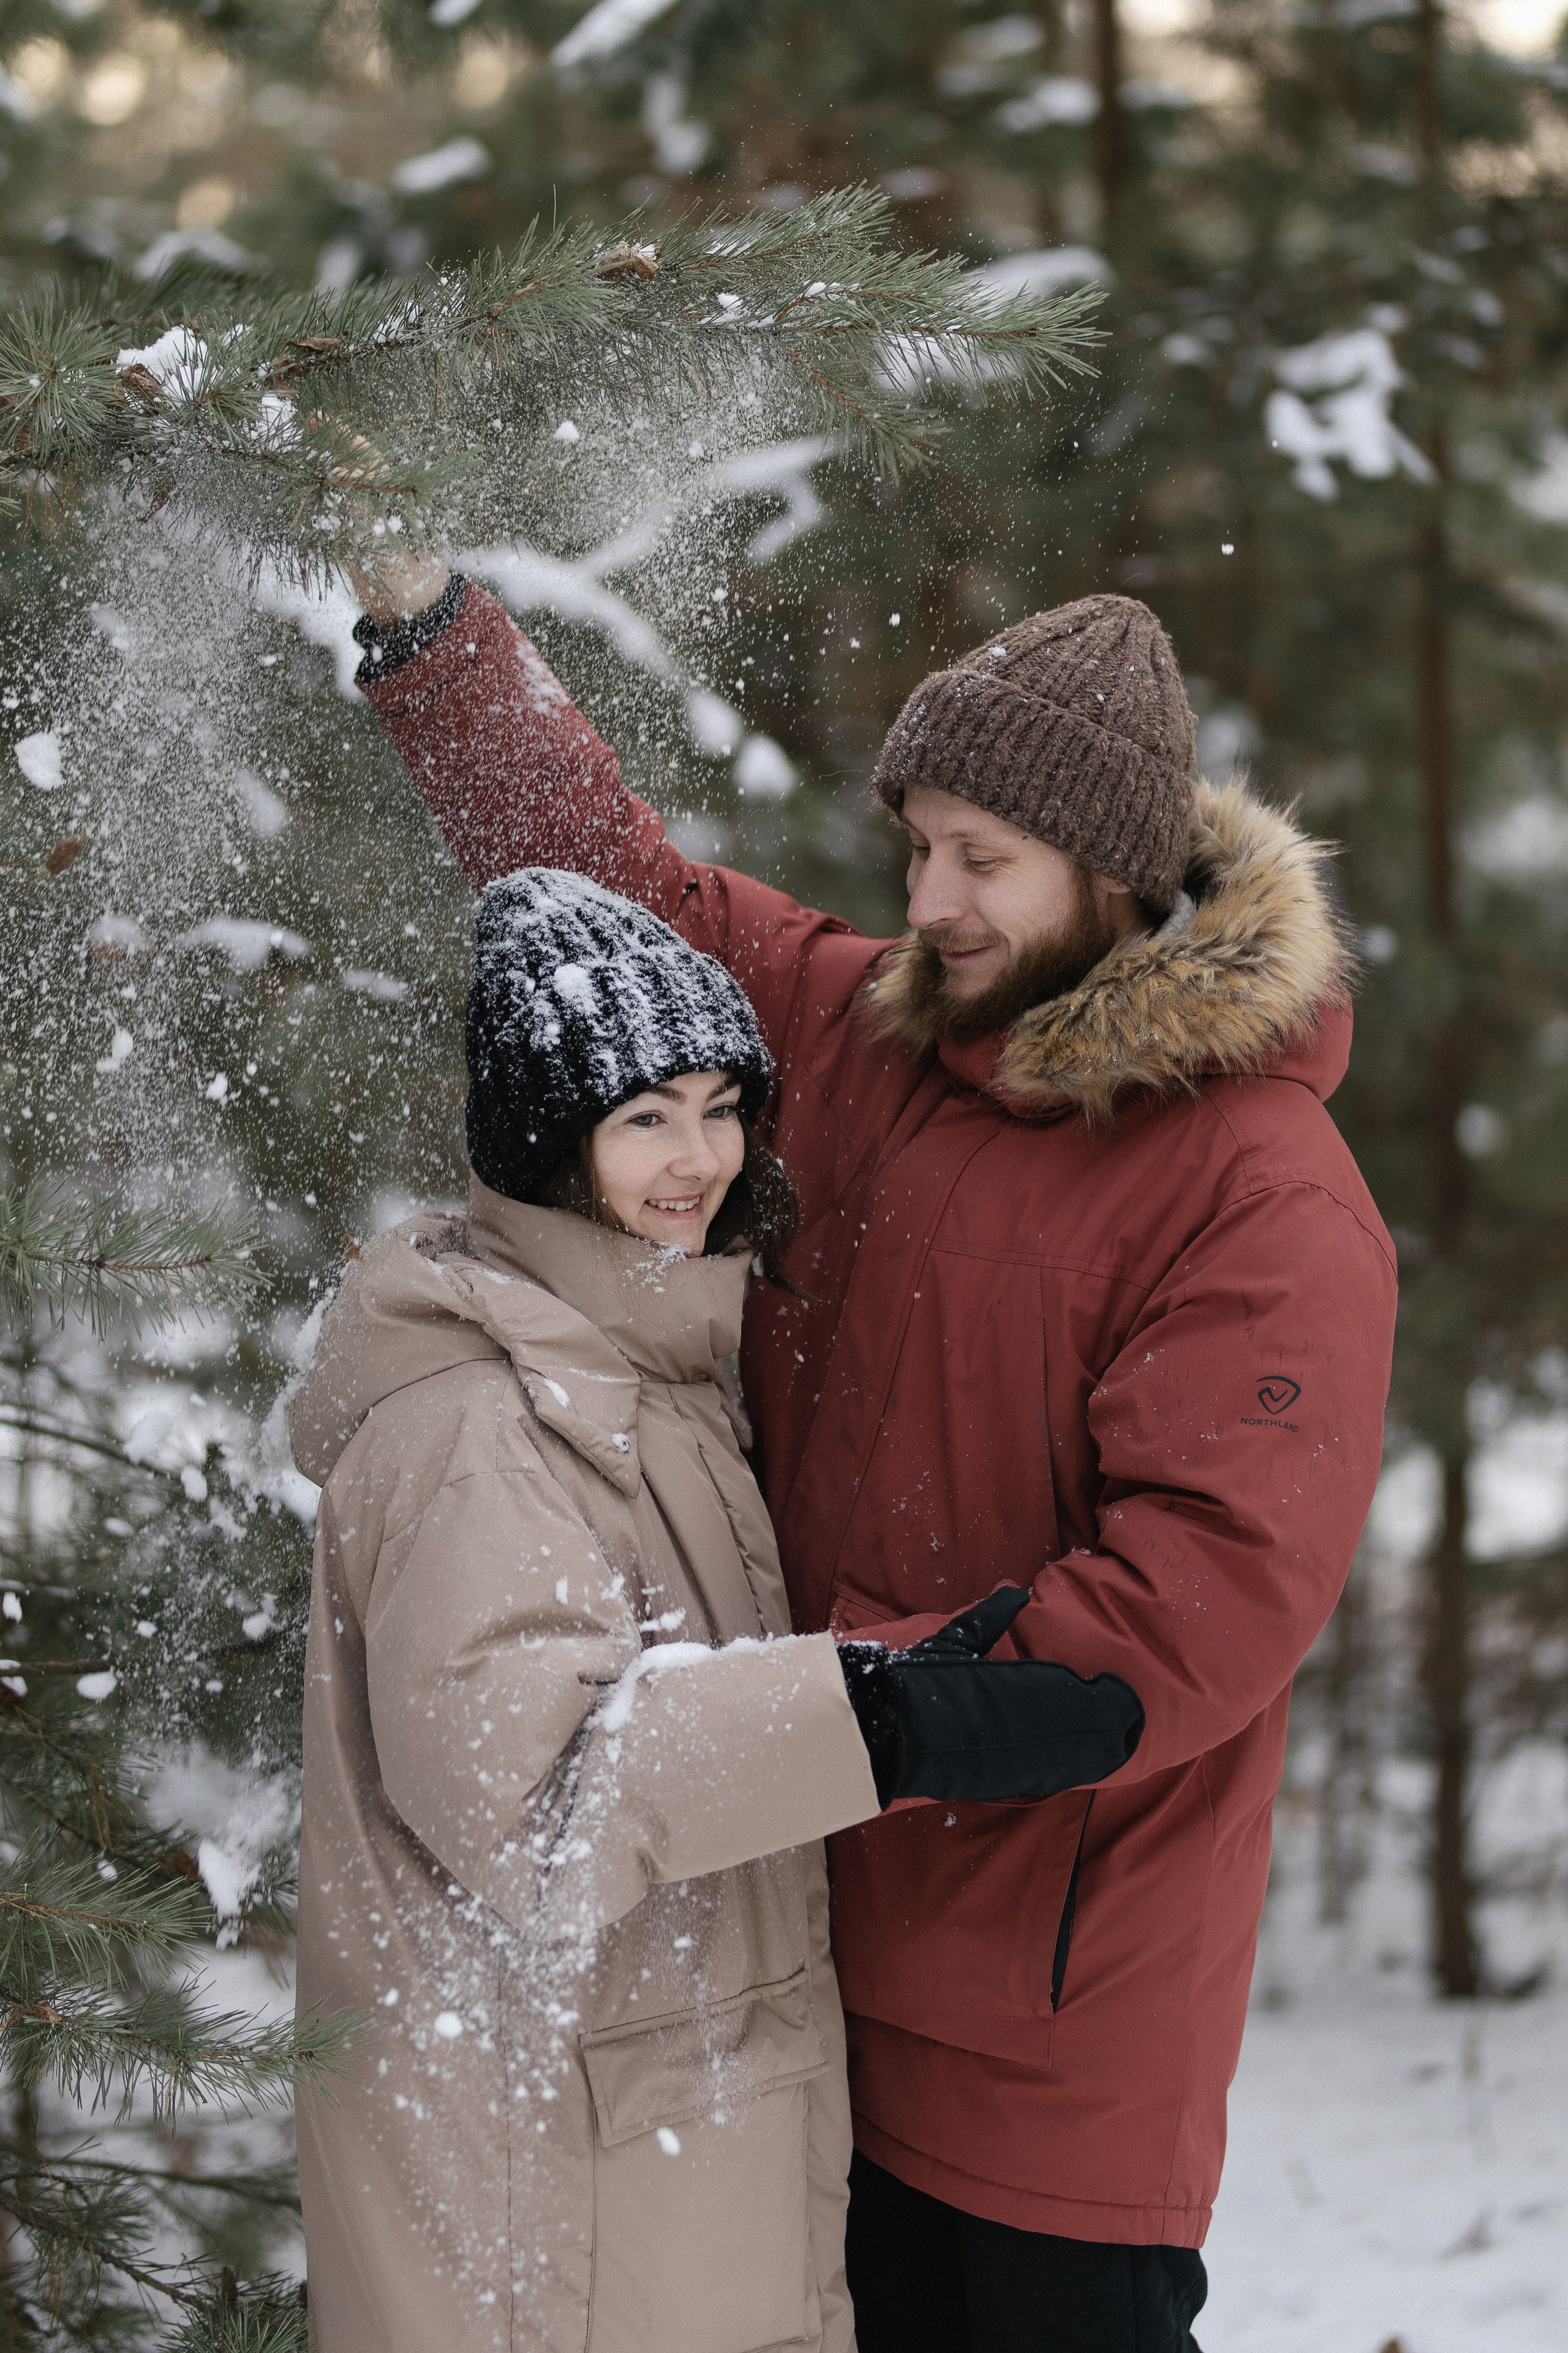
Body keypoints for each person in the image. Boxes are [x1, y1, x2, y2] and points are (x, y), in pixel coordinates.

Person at [339, 559, 1398, 2353]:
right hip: (784, 1956)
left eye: (982, 858)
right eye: (916, 844)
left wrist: (885, 1709)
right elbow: (632, 892)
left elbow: (1196, 1609)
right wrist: (435, 634)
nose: (929, 898)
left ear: (1115, 871)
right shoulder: (860, 1036)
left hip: (1048, 2043)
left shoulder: (1261, 1188)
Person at [288, 864, 1145, 2353]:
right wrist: (873, 1720)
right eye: (641, 1117)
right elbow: (532, 1795)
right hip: (556, 2209)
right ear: (547, 1144)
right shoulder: (484, 1426)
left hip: (656, 2166)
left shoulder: (650, 1373)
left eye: (717, 1103)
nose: (694, 1157)